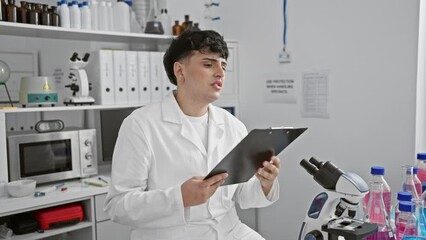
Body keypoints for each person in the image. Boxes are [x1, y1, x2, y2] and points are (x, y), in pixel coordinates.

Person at [103, 30, 281, 240]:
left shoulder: (233, 126)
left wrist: (265, 183)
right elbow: (118, 207)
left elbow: (243, 195)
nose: (220, 73)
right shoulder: (140, 125)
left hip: (229, 231)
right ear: (180, 71)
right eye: (208, 64)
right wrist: (180, 198)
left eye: (223, 66)